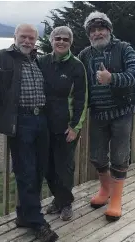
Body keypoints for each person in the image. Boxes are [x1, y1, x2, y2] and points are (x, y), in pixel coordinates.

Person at [0, 23, 58, 242]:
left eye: (31, 38)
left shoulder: (39, 59)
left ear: (36, 40)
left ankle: (24, 215)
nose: (27, 41)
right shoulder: (3, 57)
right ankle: (38, 222)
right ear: (15, 37)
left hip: (42, 120)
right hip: (20, 122)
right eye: (23, 37)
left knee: (39, 171)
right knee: (26, 172)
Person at [78, 11, 135, 221]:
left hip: (122, 111)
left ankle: (115, 199)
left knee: (119, 156)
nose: (97, 33)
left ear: (109, 30)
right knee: (97, 156)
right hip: (97, 112)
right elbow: (75, 80)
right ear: (89, 34)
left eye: (101, 28)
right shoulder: (85, 54)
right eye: (93, 30)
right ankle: (105, 191)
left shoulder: (124, 48)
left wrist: (111, 78)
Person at [38, 26, 88, 221]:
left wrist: (75, 127)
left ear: (70, 43)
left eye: (65, 39)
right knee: (47, 167)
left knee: (64, 167)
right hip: (44, 125)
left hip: (67, 127)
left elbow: (82, 99)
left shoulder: (77, 66)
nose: (61, 42)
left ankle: (65, 204)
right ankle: (59, 199)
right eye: (57, 38)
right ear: (51, 41)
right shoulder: (42, 61)